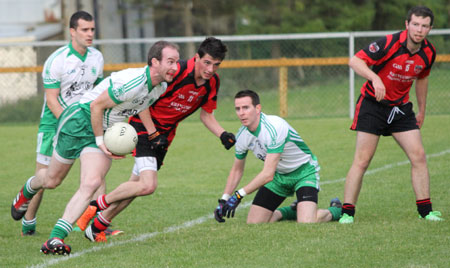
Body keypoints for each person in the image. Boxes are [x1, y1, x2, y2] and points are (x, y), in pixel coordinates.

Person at [10, 40, 180, 255]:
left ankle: (55, 239)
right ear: (155, 62)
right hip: (80, 121)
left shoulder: (160, 86)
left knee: (91, 183)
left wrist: (152, 132)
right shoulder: (134, 81)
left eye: (177, 62)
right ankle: (28, 190)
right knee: (52, 180)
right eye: (170, 62)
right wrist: (101, 140)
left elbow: (141, 104)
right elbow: (96, 105)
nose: (175, 67)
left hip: (101, 129)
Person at [77, 37, 236, 240]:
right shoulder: (175, 71)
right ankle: (96, 205)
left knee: (136, 187)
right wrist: (153, 133)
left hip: (165, 137)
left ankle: (96, 227)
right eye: (207, 62)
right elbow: (143, 100)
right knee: (148, 185)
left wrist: (222, 134)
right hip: (144, 127)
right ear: (196, 57)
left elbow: (206, 114)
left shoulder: (212, 83)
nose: (211, 69)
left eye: (216, 65)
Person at [339, 6, 443, 224]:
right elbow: (355, 61)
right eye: (415, 24)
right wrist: (375, 79)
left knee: (419, 156)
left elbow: (422, 78)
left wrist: (422, 109)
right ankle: (347, 213)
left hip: (400, 109)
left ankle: (426, 211)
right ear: (407, 25)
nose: (419, 30)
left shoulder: (429, 52)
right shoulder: (388, 43)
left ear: (430, 29)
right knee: (363, 160)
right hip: (373, 105)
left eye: (424, 26)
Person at [10, 11, 105, 236]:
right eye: (84, 30)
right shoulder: (57, 60)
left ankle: (97, 225)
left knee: (96, 175)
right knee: (47, 179)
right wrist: (69, 124)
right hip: (54, 124)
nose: (90, 34)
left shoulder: (97, 57)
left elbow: (99, 94)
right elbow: (52, 100)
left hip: (84, 123)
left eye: (92, 29)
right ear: (72, 32)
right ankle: (29, 219)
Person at [213, 90, 342, 224]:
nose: (241, 113)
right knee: (254, 223)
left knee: (307, 222)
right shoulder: (242, 136)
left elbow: (268, 174)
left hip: (303, 173)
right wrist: (224, 199)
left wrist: (239, 195)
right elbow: (237, 170)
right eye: (238, 109)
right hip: (278, 176)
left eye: (246, 107)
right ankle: (291, 210)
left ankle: (336, 210)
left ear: (258, 108)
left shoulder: (274, 127)